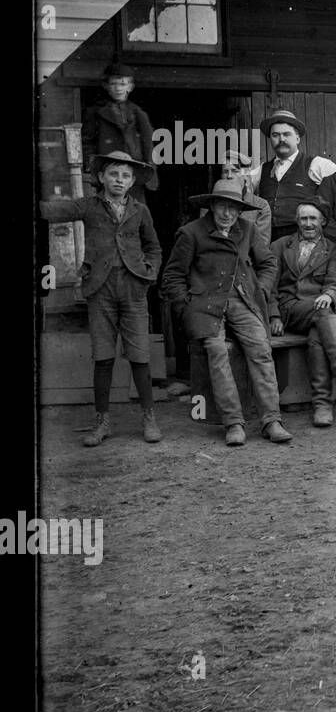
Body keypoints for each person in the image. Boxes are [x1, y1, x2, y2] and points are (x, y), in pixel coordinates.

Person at [40, 151, 163, 446]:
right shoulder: (89, 206)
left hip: (133, 290)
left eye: (125, 176)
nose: (119, 180)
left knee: (140, 357)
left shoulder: (140, 210)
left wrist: (149, 274)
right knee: (103, 357)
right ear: (101, 178)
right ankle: (102, 422)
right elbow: (54, 211)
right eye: (113, 174)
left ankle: (149, 419)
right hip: (100, 290)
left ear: (132, 181)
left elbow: (154, 247)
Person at [161, 178, 292, 446]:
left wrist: (262, 292)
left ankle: (272, 420)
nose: (227, 214)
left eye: (233, 208)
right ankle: (233, 422)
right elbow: (172, 277)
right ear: (212, 206)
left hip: (243, 300)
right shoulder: (191, 233)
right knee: (217, 351)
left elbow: (268, 263)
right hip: (205, 305)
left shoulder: (247, 229)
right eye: (222, 206)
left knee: (260, 347)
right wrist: (186, 307)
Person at [268, 200, 336, 428]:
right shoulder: (280, 246)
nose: (308, 224)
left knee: (317, 335)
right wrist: (274, 316)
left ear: (323, 222)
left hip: (321, 310)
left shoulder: (332, 249)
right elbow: (269, 286)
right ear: (297, 221)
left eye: (313, 219)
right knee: (324, 315)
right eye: (303, 219)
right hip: (290, 307)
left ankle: (322, 405)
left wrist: (330, 294)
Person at [255, 108, 336, 241]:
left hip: (303, 240)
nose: (281, 139)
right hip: (269, 241)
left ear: (297, 138)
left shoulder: (316, 164)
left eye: (286, 134)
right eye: (275, 135)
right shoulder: (262, 170)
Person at [80, 62, 158, 194]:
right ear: (106, 86)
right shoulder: (95, 112)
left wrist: (149, 173)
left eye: (122, 84)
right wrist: (92, 170)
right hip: (107, 172)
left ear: (131, 87)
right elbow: (87, 143)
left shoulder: (138, 113)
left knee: (134, 210)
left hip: (133, 172)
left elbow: (148, 144)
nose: (118, 88)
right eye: (113, 84)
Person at [210, 151, 272, 248]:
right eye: (225, 171)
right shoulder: (211, 203)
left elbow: (261, 246)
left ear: (245, 175)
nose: (229, 176)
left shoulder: (260, 206)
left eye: (235, 171)